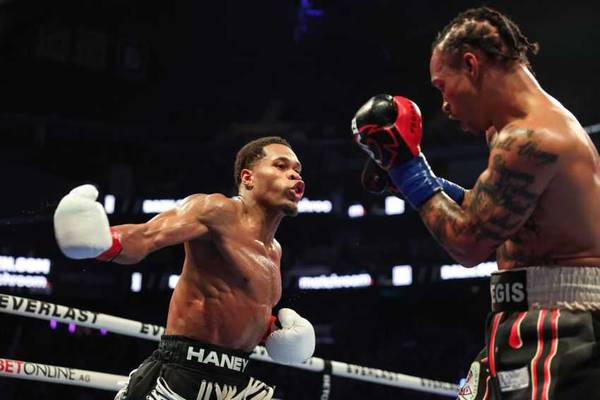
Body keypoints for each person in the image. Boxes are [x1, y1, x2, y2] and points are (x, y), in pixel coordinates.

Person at [352, 6, 600, 400]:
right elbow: (486, 215)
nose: (444, 105)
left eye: (442, 86)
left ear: (471, 65)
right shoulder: (510, 134)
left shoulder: (533, 137)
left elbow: (469, 244)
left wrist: (407, 168)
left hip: (561, 324)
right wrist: (424, 183)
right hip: (524, 317)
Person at [53, 136, 315, 400]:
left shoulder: (274, 250)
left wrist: (272, 331)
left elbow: (239, 307)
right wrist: (102, 242)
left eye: (297, 170)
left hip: (235, 380)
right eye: (281, 165)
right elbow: (147, 236)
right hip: (183, 372)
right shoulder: (216, 211)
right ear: (248, 178)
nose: (294, 175)